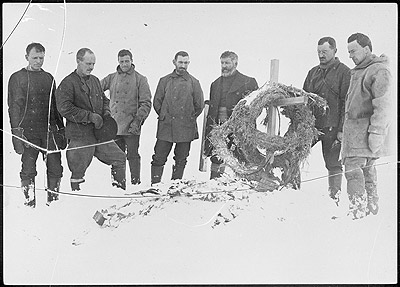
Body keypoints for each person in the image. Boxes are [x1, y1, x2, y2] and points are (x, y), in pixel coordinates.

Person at [56, 48, 126, 191]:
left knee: (119, 158)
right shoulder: (68, 83)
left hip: (99, 135)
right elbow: (64, 108)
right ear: (78, 61)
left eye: (93, 64)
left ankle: (117, 192)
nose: (91, 67)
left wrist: (106, 112)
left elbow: (104, 99)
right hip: (80, 136)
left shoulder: (94, 80)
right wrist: (89, 116)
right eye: (88, 63)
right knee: (77, 172)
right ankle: (77, 202)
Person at [7, 42, 66, 207]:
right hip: (28, 133)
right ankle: (29, 203)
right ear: (27, 57)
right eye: (35, 58)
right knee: (28, 170)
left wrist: (61, 131)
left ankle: (53, 204)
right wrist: (17, 135)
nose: (38, 61)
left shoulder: (49, 78)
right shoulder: (17, 78)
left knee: (55, 168)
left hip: (48, 132)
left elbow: (56, 108)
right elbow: (14, 108)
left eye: (41, 58)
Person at [342, 33, 392, 220]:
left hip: (364, 134)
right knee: (366, 170)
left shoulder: (378, 71)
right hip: (355, 134)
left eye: (353, 51)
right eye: (348, 52)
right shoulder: (360, 71)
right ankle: (370, 210)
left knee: (355, 172)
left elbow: (384, 105)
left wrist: (377, 133)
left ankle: (358, 211)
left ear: (367, 49)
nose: (350, 55)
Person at [303, 37, 351, 204]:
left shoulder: (345, 72)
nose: (321, 55)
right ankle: (291, 192)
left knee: (333, 164)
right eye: (319, 52)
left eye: (324, 52)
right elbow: (305, 99)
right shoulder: (312, 73)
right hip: (313, 127)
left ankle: (334, 198)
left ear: (335, 51)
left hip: (332, 126)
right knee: (294, 154)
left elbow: (347, 102)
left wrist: (341, 130)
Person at [151, 51, 204, 184]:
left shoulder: (194, 82)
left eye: (186, 63)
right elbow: (157, 102)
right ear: (174, 62)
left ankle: (175, 185)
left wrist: (187, 118)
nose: (183, 65)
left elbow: (199, 105)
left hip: (185, 128)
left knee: (181, 158)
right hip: (166, 127)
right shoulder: (164, 81)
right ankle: (155, 185)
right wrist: (165, 116)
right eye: (180, 62)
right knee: (159, 157)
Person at [204, 51, 258, 179]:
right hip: (219, 127)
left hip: (239, 128)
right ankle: (215, 183)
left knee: (242, 156)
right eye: (222, 63)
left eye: (227, 63)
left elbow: (255, 108)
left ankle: (245, 183)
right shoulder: (215, 84)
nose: (224, 66)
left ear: (235, 63)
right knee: (217, 156)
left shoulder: (248, 82)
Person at [101, 49, 152, 185]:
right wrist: (106, 107)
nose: (124, 64)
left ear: (132, 61)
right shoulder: (111, 78)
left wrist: (137, 121)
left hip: (131, 126)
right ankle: (118, 184)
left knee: (133, 155)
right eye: (122, 61)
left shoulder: (140, 79)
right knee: (116, 157)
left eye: (127, 61)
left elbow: (146, 103)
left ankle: (136, 183)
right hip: (114, 125)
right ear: (118, 61)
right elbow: (96, 90)